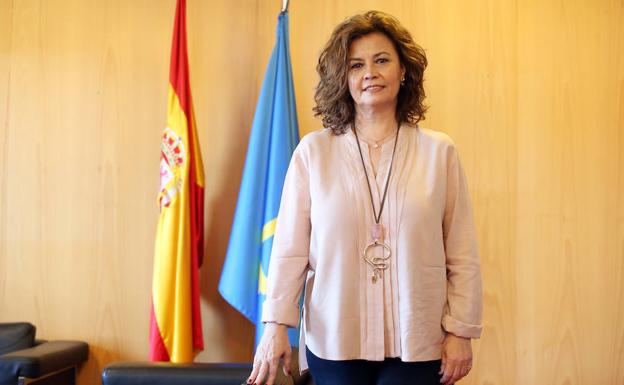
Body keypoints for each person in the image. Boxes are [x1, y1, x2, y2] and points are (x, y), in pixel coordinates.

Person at [247, 10, 483, 385]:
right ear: (344, 79)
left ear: (403, 70)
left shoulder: (440, 153)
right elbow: (289, 250)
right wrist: (275, 325)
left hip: (419, 341)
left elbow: (462, 252)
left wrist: (461, 331)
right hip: (336, 340)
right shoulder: (313, 153)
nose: (369, 72)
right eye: (356, 65)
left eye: (382, 60)